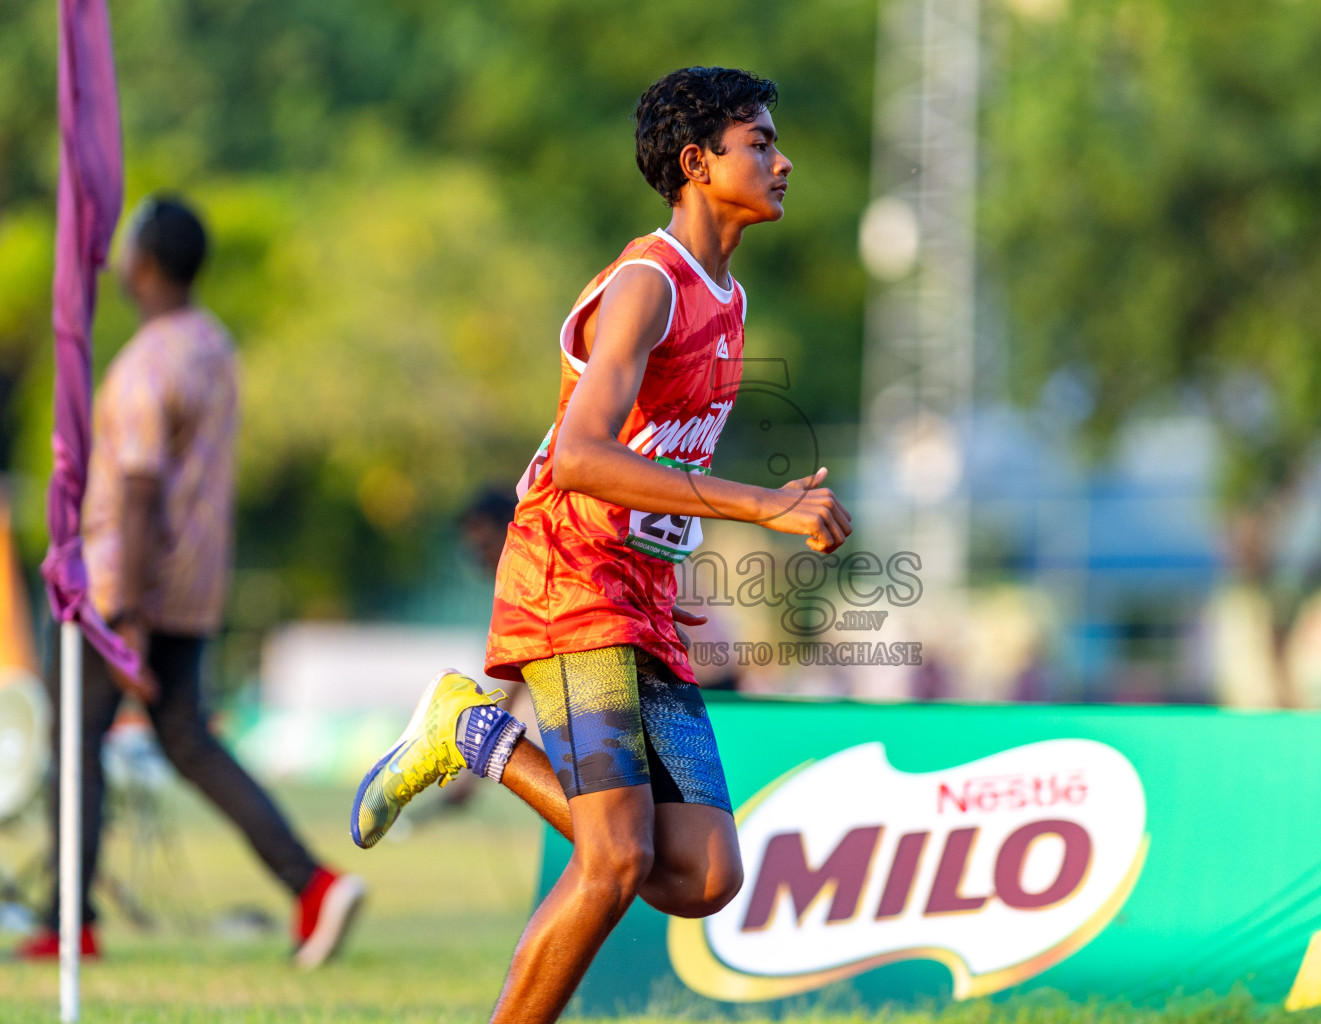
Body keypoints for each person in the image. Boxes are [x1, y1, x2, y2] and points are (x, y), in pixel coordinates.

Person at [350, 67, 851, 1023]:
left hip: (643, 594)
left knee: (703, 876)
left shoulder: (729, 301)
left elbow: (653, 462)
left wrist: (686, 537)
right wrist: (761, 505)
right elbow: (580, 458)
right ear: (699, 164)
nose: (784, 161)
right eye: (760, 141)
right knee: (613, 856)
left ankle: (470, 729)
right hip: (569, 575)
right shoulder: (647, 283)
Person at [15, 197, 364, 967]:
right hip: (196, 584)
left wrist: (126, 612)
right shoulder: (214, 346)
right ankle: (313, 886)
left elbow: (138, 488)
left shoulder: (147, 363)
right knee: (187, 742)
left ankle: (68, 924)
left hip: (124, 585)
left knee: (75, 745)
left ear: (141, 261)